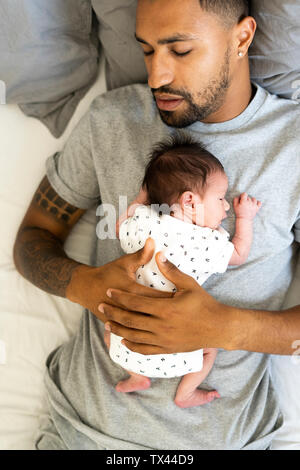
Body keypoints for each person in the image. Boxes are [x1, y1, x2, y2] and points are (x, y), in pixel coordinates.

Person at [13, 0, 300, 450]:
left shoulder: (292, 146)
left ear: (242, 38)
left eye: (180, 51)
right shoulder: (110, 121)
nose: (155, 77)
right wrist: (87, 286)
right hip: (83, 431)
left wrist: (220, 326)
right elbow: (32, 238)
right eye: (146, 50)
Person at [108, 135, 261, 409]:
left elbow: (121, 226)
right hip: (178, 342)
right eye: (220, 198)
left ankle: (137, 375)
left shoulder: (143, 222)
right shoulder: (203, 241)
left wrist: (143, 195)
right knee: (209, 349)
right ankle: (185, 393)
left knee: (108, 328)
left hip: (129, 340)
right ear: (190, 202)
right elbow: (239, 254)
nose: (226, 206)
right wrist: (245, 219)